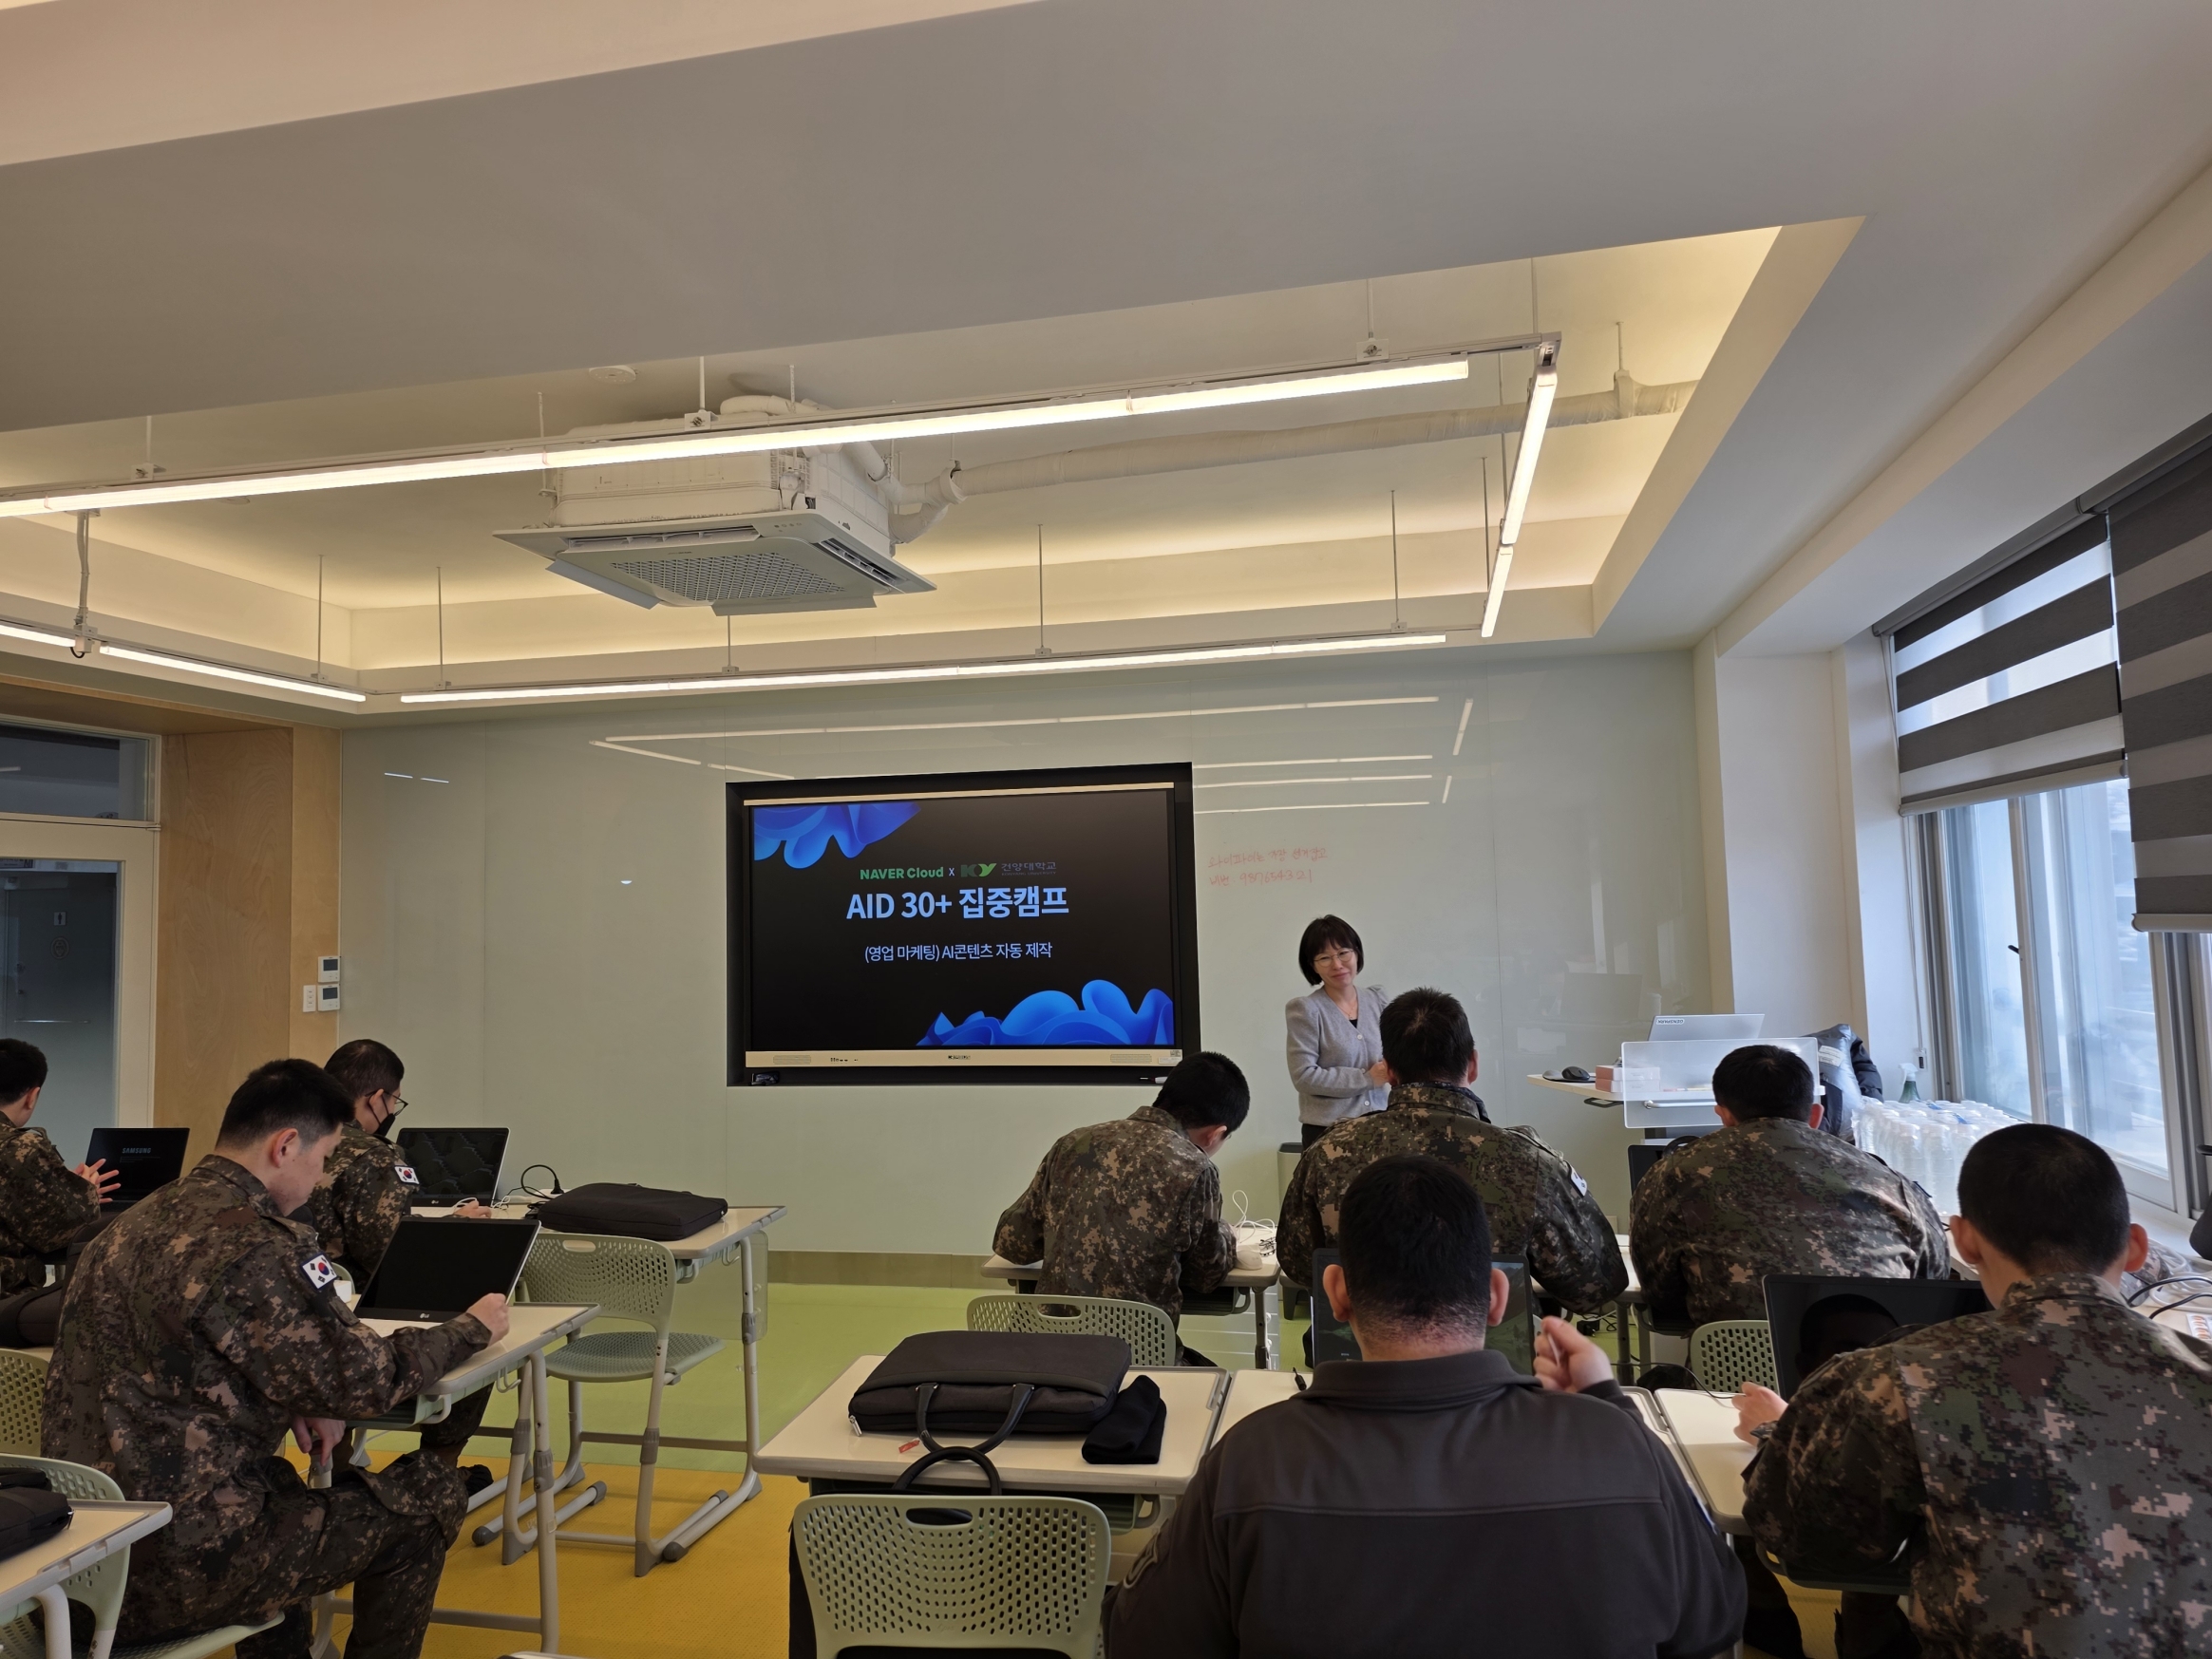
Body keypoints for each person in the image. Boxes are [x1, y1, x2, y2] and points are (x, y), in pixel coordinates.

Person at [1106, 1156, 1742, 1657]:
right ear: (1497, 1296)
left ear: (1336, 1293)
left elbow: (1140, 1640)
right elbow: (1714, 1618)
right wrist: (1606, 1408)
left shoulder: (1250, 1461)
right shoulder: (1620, 1448)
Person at [45, 1058, 510, 1659]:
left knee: (279, 1492)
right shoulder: (257, 1242)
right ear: (286, 1146)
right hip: (181, 1570)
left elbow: (185, 1354)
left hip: (78, 1562)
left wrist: (296, 1393)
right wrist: (471, 1328)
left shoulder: (127, 1226)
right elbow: (368, 1379)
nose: (319, 1181)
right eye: (322, 1160)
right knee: (429, 1492)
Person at [1737, 1124, 2212, 1659]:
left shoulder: (1897, 1374)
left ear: (1963, 1239)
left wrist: (1776, 1430)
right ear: (2137, 1248)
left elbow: (1806, 1540)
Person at [1279, 988, 1625, 1312]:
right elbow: (1596, 1284)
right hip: (1492, 1353)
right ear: (1472, 1064)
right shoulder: (1528, 1162)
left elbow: (1299, 1265)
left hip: (1360, 1351)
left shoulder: (1329, 1154)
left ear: (1390, 1071)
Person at [297, 1039, 498, 1491]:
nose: (392, 1111)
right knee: (477, 1336)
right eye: (394, 1101)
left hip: (302, 1313)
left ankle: (334, 1470)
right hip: (363, 1318)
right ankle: (438, 1474)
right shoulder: (375, 1155)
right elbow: (391, 1252)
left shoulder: (296, 1139)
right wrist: (458, 1230)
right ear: (376, 1098)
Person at [1631, 1043, 1947, 1328]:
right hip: (1873, 1364)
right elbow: (1933, 1282)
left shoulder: (1674, 1173)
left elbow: (1659, 1291)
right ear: (1815, 1115)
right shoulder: (1888, 1181)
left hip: (1735, 1365)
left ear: (1724, 1115)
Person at [993, 1051, 1246, 1358]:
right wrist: (1226, 1233)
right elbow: (1206, 1276)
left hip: (1044, 1354)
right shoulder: (1195, 1168)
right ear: (1216, 1134)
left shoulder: (1073, 1143)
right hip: (1135, 1358)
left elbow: (1012, 1245)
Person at [0, 1036, 117, 1291]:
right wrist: (84, 1193)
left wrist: (58, 1190)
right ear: (32, 1096)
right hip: (8, 1297)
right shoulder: (19, 1147)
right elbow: (64, 1233)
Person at [1283, 914, 1388, 1150]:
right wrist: (1367, 1079)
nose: (1337, 964)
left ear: (1356, 953)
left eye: (1343, 953)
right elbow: (1304, 1076)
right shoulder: (1306, 1009)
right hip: (1328, 1133)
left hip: (1379, 1127)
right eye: (1324, 958)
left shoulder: (1378, 1000)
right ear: (1312, 965)